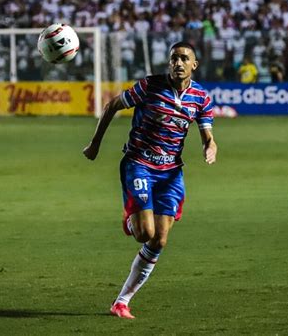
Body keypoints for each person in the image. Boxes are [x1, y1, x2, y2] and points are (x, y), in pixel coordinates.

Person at [83, 42, 217, 319]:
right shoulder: (149, 86)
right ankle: (131, 217)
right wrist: (95, 143)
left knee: (160, 240)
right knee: (145, 233)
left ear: (194, 65)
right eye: (173, 59)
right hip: (139, 164)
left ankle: (122, 301)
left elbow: (207, 133)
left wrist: (210, 147)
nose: (178, 63)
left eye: (184, 58)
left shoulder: (201, 97)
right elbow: (111, 106)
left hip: (171, 174)